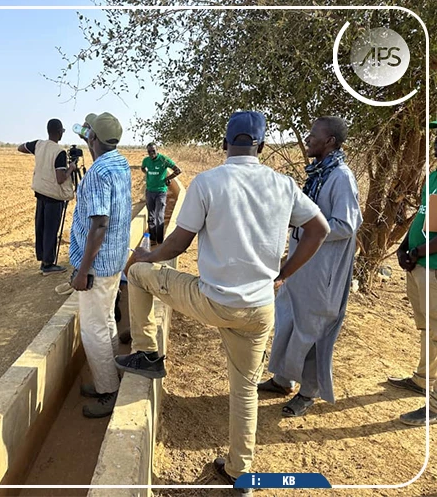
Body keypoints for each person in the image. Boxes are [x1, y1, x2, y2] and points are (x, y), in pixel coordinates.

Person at [114, 111, 329, 486]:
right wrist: (284, 274)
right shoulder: (283, 184)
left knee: (137, 274)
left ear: (225, 144)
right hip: (260, 308)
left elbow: (178, 243)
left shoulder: (209, 182)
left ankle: (147, 353)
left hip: (213, 300)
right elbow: (319, 229)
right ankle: (239, 471)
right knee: (245, 388)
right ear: (261, 146)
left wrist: (145, 255)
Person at [258, 117, 361, 417]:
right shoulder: (319, 173)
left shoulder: (341, 177)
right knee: (290, 322)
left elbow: (346, 225)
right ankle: (282, 379)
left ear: (330, 141)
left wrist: (309, 225)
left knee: (314, 331)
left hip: (323, 272)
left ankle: (308, 392)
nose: (308, 138)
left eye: (314, 135)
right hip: (303, 265)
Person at [68, 112, 131, 418]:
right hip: (115, 258)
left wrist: (82, 271)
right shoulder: (119, 162)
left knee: (93, 328)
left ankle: (108, 392)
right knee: (106, 320)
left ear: (92, 138)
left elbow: (99, 224)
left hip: (97, 264)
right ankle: (110, 377)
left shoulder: (96, 173)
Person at [389, 119, 437, 426]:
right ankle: (422, 379)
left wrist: (418, 253)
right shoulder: (432, 177)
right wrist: (405, 247)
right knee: (428, 329)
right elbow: (423, 219)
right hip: (420, 266)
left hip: (432, 267)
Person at [21, 119, 78, 274]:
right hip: (53, 196)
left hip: (40, 193)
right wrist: (71, 168)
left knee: (41, 227)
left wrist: (37, 153)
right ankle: (48, 264)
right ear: (59, 131)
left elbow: (21, 147)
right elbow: (60, 178)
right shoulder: (59, 152)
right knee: (51, 230)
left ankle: (43, 259)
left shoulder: (39, 145)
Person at [140, 143, 181, 244]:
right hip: (149, 191)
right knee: (151, 216)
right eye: (149, 152)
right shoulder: (146, 160)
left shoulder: (163, 160)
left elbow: (178, 170)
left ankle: (160, 240)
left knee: (159, 216)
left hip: (161, 192)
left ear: (157, 150)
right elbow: (142, 168)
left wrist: (167, 178)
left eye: (153, 151)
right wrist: (147, 174)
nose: (151, 153)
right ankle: (153, 239)